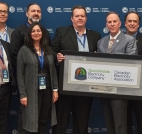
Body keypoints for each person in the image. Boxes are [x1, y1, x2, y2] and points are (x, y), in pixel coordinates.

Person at [50, 5, 101, 134]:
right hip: (65, 85)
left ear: (86, 18)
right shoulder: (61, 32)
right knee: (61, 121)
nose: (80, 18)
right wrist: (57, 56)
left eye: (82, 16)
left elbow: (101, 58)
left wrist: (98, 57)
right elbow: (51, 51)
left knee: (82, 122)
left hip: (85, 86)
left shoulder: (95, 35)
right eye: (77, 16)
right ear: (72, 18)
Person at [10, 3, 51, 133]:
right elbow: (15, 57)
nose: (36, 13)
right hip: (28, 84)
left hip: (44, 84)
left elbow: (48, 55)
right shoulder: (18, 32)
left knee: (42, 118)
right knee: (27, 118)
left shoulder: (44, 32)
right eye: (33, 11)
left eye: (38, 11)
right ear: (26, 13)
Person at [97, 11, 137, 134]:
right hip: (104, 89)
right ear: (106, 25)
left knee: (120, 125)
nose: (112, 24)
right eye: (110, 22)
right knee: (109, 123)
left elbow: (132, 61)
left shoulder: (129, 40)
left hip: (120, 89)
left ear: (120, 24)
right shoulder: (101, 42)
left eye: (115, 21)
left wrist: (113, 58)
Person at [17, 22, 59, 133]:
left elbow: (53, 71)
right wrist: (22, 94)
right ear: (29, 34)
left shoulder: (48, 50)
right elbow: (19, 74)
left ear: (42, 33)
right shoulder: (24, 50)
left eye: (38, 31)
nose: (36, 33)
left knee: (43, 120)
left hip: (47, 89)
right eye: (33, 31)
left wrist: (55, 90)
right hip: (31, 91)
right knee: (30, 121)